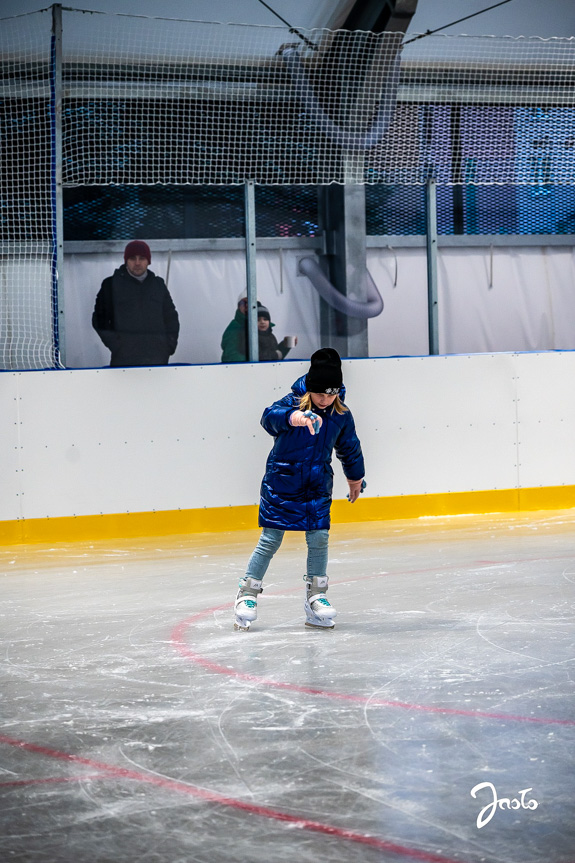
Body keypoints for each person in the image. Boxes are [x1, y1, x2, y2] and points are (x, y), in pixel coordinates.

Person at [233, 348, 365, 632]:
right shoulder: (292, 403)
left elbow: (349, 446)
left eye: (331, 394)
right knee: (271, 539)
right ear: (310, 388)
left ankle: (316, 596)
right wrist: (295, 418)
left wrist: (355, 478)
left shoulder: (340, 414)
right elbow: (269, 417)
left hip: (317, 486)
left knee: (319, 539)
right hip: (282, 483)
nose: (325, 399)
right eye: (320, 394)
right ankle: (247, 594)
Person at [92, 240, 180, 367]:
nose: (137, 263)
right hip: (124, 361)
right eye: (132, 258)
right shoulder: (111, 285)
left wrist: (168, 345)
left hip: (157, 360)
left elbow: (171, 317)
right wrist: (117, 346)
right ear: (126, 260)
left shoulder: (158, 285)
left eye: (142, 258)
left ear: (148, 261)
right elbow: (100, 320)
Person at [220, 292, 295, 362]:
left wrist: (285, 346)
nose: (247, 306)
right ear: (238, 306)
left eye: (251, 302)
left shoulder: (268, 332)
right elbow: (231, 357)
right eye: (243, 303)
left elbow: (274, 356)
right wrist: (253, 364)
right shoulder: (236, 328)